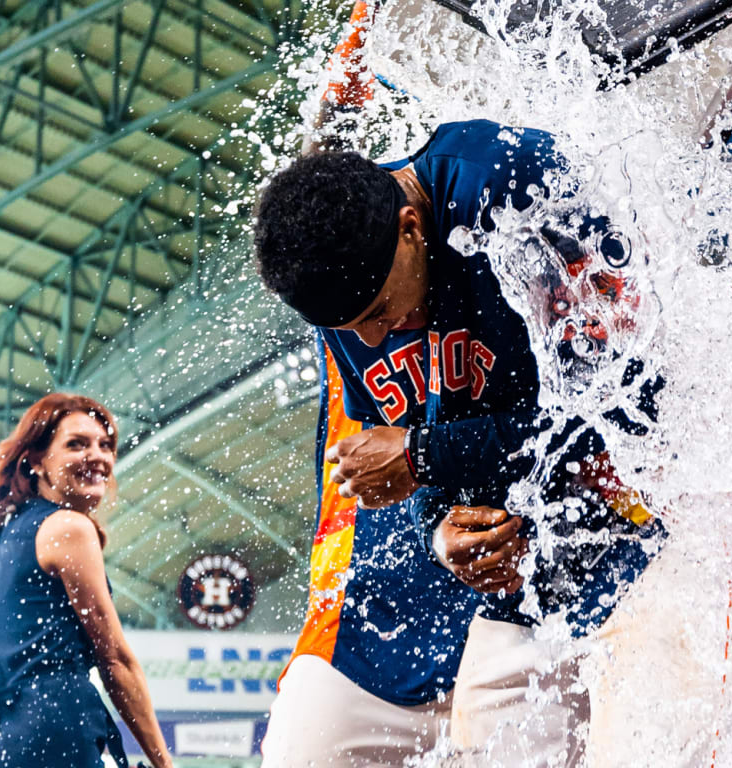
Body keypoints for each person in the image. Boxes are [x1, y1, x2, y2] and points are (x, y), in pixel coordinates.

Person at [252, 120, 660, 768]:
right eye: (347, 329)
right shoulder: (355, 283)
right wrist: (442, 525)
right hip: (546, 570)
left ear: (413, 227)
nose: (373, 337)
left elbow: (638, 409)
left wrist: (424, 457)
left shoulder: (508, 188)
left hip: (667, 533)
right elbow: (420, 447)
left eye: (380, 311)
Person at [0, 393, 173, 768]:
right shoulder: (68, 528)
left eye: (105, 445)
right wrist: (164, 763)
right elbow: (115, 660)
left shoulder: (12, 534)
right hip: (48, 729)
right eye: (76, 445)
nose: (98, 457)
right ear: (37, 460)